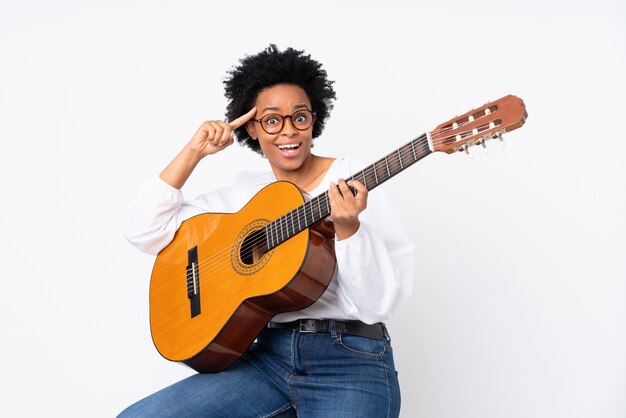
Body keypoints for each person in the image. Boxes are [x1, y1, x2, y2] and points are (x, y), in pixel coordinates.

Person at [120, 44, 414, 418]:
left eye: (300, 118)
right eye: (272, 120)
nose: (288, 131)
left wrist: (349, 229)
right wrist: (193, 152)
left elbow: (377, 306)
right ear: (252, 129)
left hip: (350, 361)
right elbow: (144, 230)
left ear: (314, 120)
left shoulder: (350, 180)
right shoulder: (244, 194)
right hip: (267, 357)